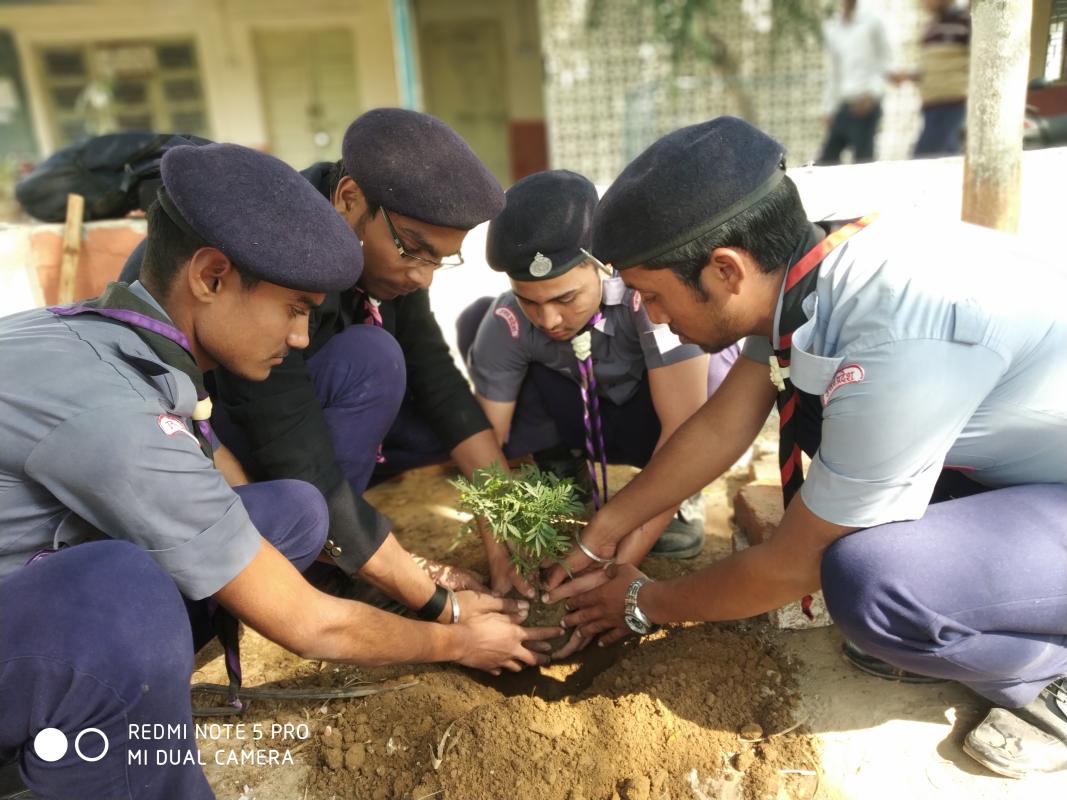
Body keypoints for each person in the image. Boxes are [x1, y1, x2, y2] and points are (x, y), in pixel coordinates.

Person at [0, 143, 557, 800]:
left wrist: (437, 554)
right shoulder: (114, 418)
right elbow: (307, 624)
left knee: (290, 512)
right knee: (125, 596)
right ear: (211, 277)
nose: (300, 337)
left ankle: (101, 693)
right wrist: (458, 639)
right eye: (294, 309)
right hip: (51, 606)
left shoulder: (107, 336)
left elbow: (226, 480)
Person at [543, 116, 1067, 778]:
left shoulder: (893, 336)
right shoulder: (809, 270)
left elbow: (793, 565)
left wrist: (643, 604)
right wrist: (604, 532)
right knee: (821, 418)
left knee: (872, 583)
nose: (651, 315)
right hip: (1028, 469)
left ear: (724, 269)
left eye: (653, 295)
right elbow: (722, 424)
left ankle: (1050, 677)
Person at [120, 109, 531, 601]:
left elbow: (437, 379)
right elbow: (289, 435)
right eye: (413, 250)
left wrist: (506, 521)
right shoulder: (277, 249)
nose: (424, 277)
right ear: (349, 198)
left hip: (283, 417)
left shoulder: (390, 257)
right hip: (207, 434)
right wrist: (424, 592)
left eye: (439, 260)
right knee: (373, 360)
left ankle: (333, 541)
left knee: (409, 393)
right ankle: (320, 559)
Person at [460, 169, 738, 563]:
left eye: (565, 298)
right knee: (480, 325)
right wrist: (502, 544)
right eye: (530, 301)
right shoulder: (510, 320)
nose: (549, 319)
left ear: (602, 265)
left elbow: (683, 425)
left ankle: (678, 492)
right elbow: (488, 443)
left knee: (710, 366)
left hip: (652, 420)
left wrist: (619, 563)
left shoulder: (647, 296)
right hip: (583, 416)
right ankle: (560, 471)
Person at [890, 0, 971, 157]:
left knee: (928, 155)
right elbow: (930, 68)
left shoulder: (966, 21)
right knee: (939, 155)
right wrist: (907, 75)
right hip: (932, 104)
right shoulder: (930, 27)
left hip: (955, 102)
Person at [817, 0, 892, 165]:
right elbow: (834, 72)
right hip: (843, 105)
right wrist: (828, 108)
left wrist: (872, 94)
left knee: (863, 162)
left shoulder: (873, 21)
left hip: (867, 104)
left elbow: (886, 62)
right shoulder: (832, 28)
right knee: (827, 160)